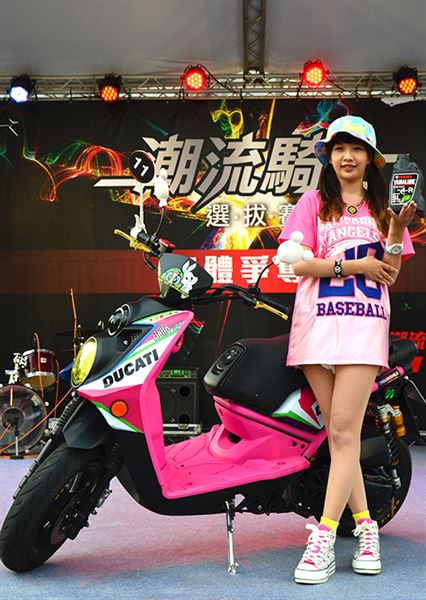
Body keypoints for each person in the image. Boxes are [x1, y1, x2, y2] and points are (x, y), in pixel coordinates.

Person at [279, 115, 416, 585]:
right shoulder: (312, 203)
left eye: (357, 148)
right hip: (316, 327)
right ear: (329, 156)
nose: (347, 156)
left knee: (341, 432)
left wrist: (396, 230)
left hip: (362, 326)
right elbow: (298, 264)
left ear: (371, 158)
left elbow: (391, 273)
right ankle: (367, 530)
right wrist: (353, 265)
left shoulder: (382, 208)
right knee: (341, 439)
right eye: (339, 148)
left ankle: (323, 539)